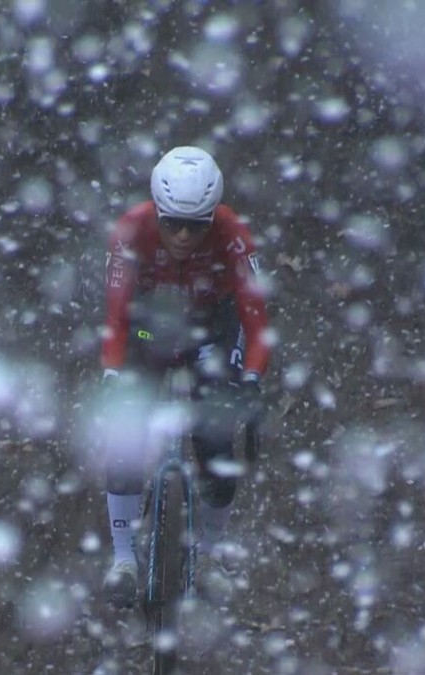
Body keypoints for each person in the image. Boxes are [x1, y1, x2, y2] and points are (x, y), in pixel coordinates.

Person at [99, 145, 271, 608]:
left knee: (216, 439)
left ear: (213, 216)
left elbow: (257, 325)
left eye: (196, 225)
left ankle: (210, 556)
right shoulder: (131, 230)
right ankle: (123, 560)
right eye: (171, 221)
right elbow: (116, 319)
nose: (181, 235)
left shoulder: (234, 235)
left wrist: (252, 381)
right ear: (156, 210)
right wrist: (114, 373)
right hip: (147, 323)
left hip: (212, 326)